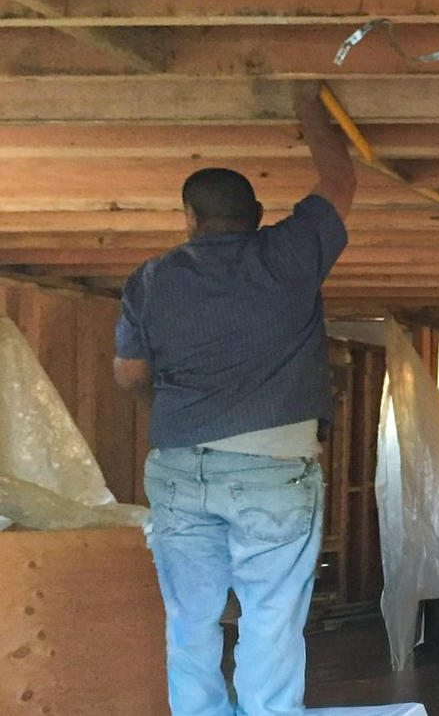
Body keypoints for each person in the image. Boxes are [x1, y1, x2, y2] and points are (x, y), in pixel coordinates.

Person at [114, 82, 356, 716]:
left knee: (189, 621)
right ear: (257, 217)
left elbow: (129, 373)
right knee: (270, 615)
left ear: (190, 219)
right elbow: (339, 178)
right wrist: (309, 101)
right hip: (271, 468)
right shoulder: (288, 255)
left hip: (177, 469)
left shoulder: (150, 279)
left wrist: (174, 424)